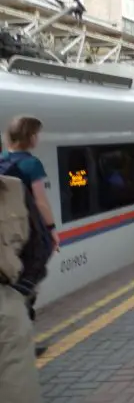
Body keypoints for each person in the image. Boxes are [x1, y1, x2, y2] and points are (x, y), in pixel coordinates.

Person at [1, 116, 57, 358]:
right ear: (30, 136)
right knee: (29, 283)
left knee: (12, 282)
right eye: (37, 134)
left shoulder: (2, 160)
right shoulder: (31, 164)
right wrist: (52, 230)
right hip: (28, 231)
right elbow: (41, 202)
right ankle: (24, 342)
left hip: (8, 233)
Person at [0, 174, 42, 402]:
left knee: (18, 391)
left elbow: (38, 244)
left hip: (6, 302)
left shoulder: (15, 190)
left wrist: (20, 290)